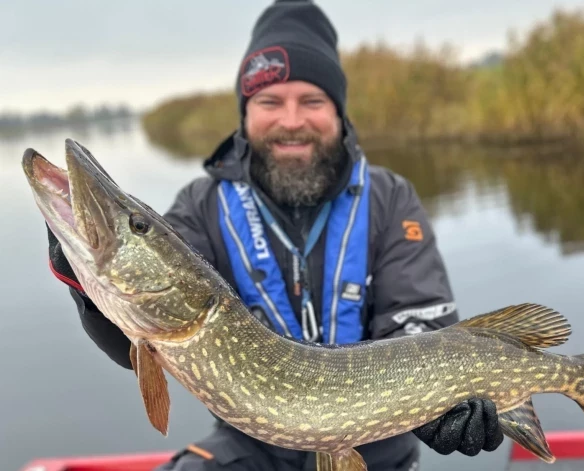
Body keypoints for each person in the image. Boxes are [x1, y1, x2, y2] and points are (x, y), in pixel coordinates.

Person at [45, 0, 504, 469]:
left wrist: (439, 403)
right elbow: (137, 334)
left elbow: (418, 318)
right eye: (269, 101)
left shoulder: (389, 199)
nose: (290, 120)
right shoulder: (201, 206)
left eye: (311, 101)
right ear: (245, 113)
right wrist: (80, 277)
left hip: (377, 439)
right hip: (253, 443)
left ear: (339, 112)